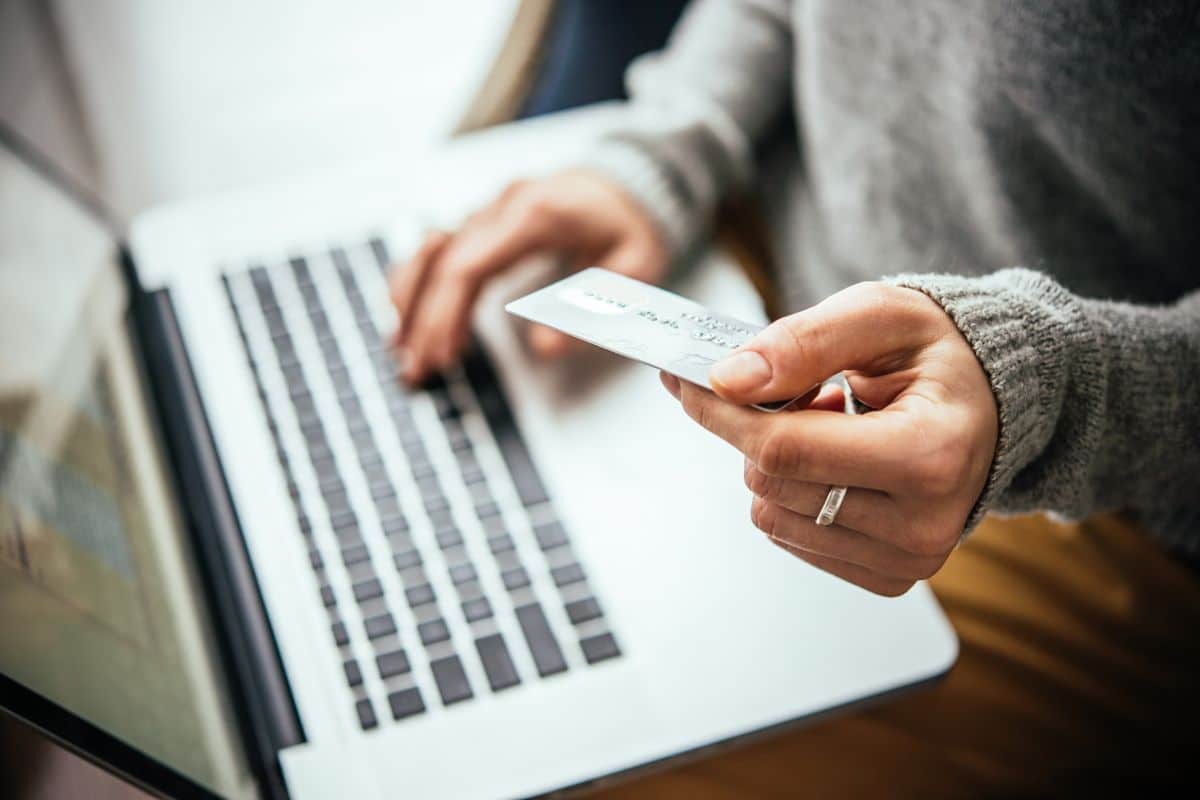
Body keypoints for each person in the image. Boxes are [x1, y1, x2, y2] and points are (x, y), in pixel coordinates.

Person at [391, 1, 1200, 794]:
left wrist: (1056, 389)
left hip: (1080, 487)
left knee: (543, 762)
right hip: (745, 240)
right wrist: (665, 156)